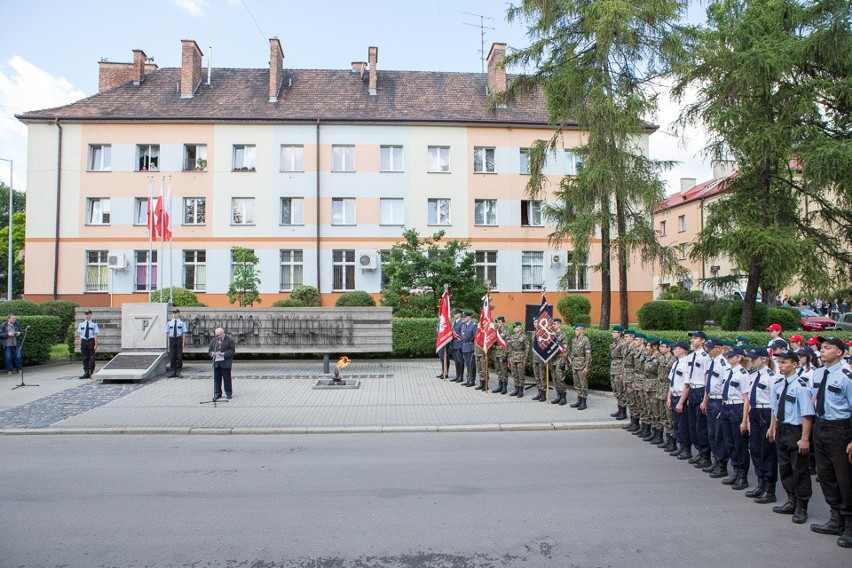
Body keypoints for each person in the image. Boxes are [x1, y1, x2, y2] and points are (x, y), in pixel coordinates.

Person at [809, 337, 852, 547]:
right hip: (821, 426)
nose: (822, 351)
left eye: (828, 348)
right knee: (825, 475)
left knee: (845, 478)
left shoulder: (846, 376)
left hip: (840, 429)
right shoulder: (819, 373)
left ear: (840, 352)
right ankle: (836, 519)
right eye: (821, 348)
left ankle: (850, 525)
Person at [768, 350, 814, 518]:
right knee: (785, 467)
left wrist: (804, 438)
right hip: (782, 429)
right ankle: (791, 500)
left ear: (795, 364)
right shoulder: (780, 384)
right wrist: (772, 427)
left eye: (785, 362)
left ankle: (802, 507)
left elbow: (807, 414)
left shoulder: (801, 386)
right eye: (779, 363)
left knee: (799, 469)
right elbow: (775, 409)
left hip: (796, 431)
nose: (781, 365)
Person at [743, 347, 778, 502]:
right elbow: (750, 399)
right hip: (756, 412)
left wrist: (772, 425)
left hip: (766, 413)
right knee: (756, 449)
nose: (752, 360)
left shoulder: (771, 377)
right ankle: (760, 483)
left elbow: (774, 404)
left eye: (755, 358)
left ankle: (770, 489)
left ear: (763, 359)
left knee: (767, 451)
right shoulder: (753, 375)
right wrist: (749, 419)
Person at [719, 347, 751, 489]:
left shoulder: (743, 374)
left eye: (730, 357)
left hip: (737, 408)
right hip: (727, 407)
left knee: (739, 443)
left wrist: (745, 420)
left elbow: (746, 399)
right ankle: (736, 471)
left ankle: (742, 476)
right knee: (729, 442)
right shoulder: (728, 372)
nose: (728, 359)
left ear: (738, 357)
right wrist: (722, 409)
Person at [701, 339, 730, 477]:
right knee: (711, 433)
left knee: (719, 434)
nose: (708, 350)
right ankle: (716, 460)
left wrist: (723, 406)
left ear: (719, 348)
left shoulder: (724, 364)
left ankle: (721, 463)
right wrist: (705, 400)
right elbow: (709, 383)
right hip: (711, 399)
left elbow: (725, 387)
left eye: (711, 348)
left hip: (719, 401)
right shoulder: (712, 362)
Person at [685, 331, 712, 468]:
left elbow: (707, 378)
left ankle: (706, 454)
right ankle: (700, 452)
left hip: (701, 390)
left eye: (695, 339)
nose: (692, 341)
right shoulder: (691, 356)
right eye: (692, 339)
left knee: (701, 426)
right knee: (693, 424)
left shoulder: (705, 357)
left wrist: (705, 398)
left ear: (702, 341)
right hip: (693, 389)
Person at [667, 341, 691, 458]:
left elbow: (687, 385)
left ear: (681, 350)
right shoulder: (676, 363)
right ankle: (681, 446)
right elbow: (672, 381)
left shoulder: (687, 363)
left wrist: (681, 402)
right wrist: (669, 397)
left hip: (682, 397)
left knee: (683, 424)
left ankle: (686, 449)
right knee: (676, 423)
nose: (673, 350)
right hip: (675, 395)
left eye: (675, 348)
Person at [657, 340, 677, 452]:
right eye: (660, 346)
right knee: (663, 415)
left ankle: (672, 441)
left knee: (670, 417)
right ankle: (668, 439)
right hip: (661, 389)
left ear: (669, 348)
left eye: (663, 346)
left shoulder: (673, 360)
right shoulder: (662, 359)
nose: (661, 348)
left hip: (667, 388)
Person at [208, 327, 236, 400]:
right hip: (216, 363)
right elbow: (210, 350)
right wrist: (212, 354)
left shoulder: (229, 340)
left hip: (225, 362)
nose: (218, 336)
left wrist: (225, 354)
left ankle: (228, 393)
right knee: (217, 379)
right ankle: (217, 393)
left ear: (223, 333)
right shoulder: (214, 340)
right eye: (216, 335)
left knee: (227, 379)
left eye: (219, 335)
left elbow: (232, 350)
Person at [570, 322, 592, 410]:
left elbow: (588, 354)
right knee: (577, 383)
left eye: (577, 329)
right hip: (575, 364)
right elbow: (572, 352)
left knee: (583, 384)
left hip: (582, 364)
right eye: (575, 329)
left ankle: (584, 402)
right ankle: (579, 399)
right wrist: (571, 360)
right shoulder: (574, 340)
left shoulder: (585, 340)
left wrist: (587, 367)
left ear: (582, 330)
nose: (575, 331)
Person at [610, 326, 628, 420]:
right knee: (616, 390)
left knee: (621, 391)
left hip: (619, 369)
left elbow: (625, 359)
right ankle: (619, 409)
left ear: (620, 333)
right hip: (614, 368)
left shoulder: (623, 343)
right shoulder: (615, 342)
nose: (613, 333)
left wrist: (623, 373)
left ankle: (623, 412)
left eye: (614, 332)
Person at [507, 322, 529, 397]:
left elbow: (527, 348)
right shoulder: (512, 336)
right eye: (514, 327)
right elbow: (509, 347)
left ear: (520, 328)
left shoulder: (524, 336)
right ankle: (516, 389)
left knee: (521, 375)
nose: (515, 329)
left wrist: (525, 359)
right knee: (514, 374)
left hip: (521, 358)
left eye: (516, 327)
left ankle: (521, 391)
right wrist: (510, 357)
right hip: (513, 358)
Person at [76, 309, 99, 379]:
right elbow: (80, 335)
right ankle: (86, 372)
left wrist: (96, 345)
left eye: (88, 314)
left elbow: (95, 335)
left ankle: (91, 372)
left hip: (91, 341)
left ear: (91, 315)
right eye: (85, 314)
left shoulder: (94, 323)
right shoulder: (81, 324)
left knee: (91, 357)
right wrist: (80, 344)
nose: (86, 315)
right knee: (84, 358)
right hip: (84, 341)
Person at [166, 308, 188, 378]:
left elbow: (184, 333)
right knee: (172, 356)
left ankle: (178, 371)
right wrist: (168, 342)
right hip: (172, 339)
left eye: (176, 313)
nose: (174, 314)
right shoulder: (169, 323)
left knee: (179, 356)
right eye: (173, 313)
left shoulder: (182, 322)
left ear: (179, 313)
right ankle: (173, 371)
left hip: (179, 339)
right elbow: (168, 333)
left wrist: (183, 342)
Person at [491, 316, 510, 394]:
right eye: (497, 322)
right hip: (496, 354)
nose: (498, 324)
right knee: (498, 370)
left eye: (499, 322)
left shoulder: (506, 332)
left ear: (503, 323)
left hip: (502, 354)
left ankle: (504, 387)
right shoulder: (496, 332)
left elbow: (508, 344)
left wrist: (506, 354)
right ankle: (500, 386)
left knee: (504, 371)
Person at [460, 311, 476, 386]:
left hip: (470, 346)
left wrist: (474, 347)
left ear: (469, 317)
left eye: (465, 317)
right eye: (463, 317)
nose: (464, 318)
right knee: (467, 364)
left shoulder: (473, 326)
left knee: (471, 364)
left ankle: (472, 380)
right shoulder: (464, 326)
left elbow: (476, 338)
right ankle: (468, 379)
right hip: (464, 346)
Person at [450, 309, 464, 382]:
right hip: (454, 344)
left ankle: (461, 377)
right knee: (456, 361)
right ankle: (457, 375)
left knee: (460, 361)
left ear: (459, 314)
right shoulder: (454, 323)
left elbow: (462, 335)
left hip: (459, 344)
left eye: (455, 314)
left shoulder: (462, 323)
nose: (454, 315)